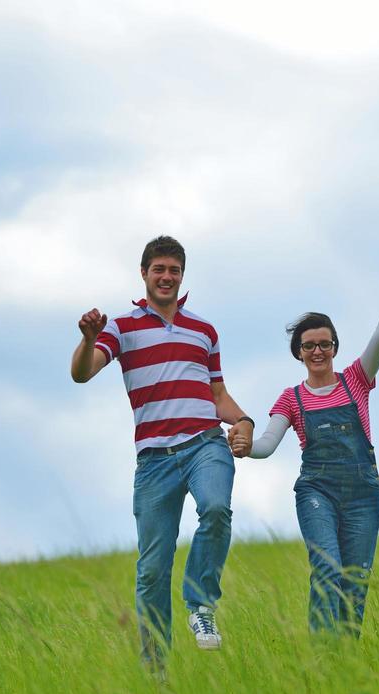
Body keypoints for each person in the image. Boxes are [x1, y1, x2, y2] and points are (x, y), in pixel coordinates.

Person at [71, 235, 254, 664]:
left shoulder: (204, 330)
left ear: (182, 276)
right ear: (144, 274)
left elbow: (218, 393)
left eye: (174, 270)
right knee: (152, 569)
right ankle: (156, 670)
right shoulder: (121, 327)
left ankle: (201, 605)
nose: (166, 277)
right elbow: (82, 374)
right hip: (154, 461)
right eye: (159, 269)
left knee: (215, 509)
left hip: (205, 444)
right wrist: (87, 339)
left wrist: (243, 421)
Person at [231, 248, 379, 637]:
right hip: (316, 490)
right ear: (298, 353)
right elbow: (267, 443)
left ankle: (345, 664)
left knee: (355, 583)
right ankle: (323, 653)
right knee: (327, 568)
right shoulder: (291, 398)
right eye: (309, 345)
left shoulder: (357, 379)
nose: (317, 351)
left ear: (335, 347)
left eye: (324, 343)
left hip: (362, 494)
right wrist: (243, 444)